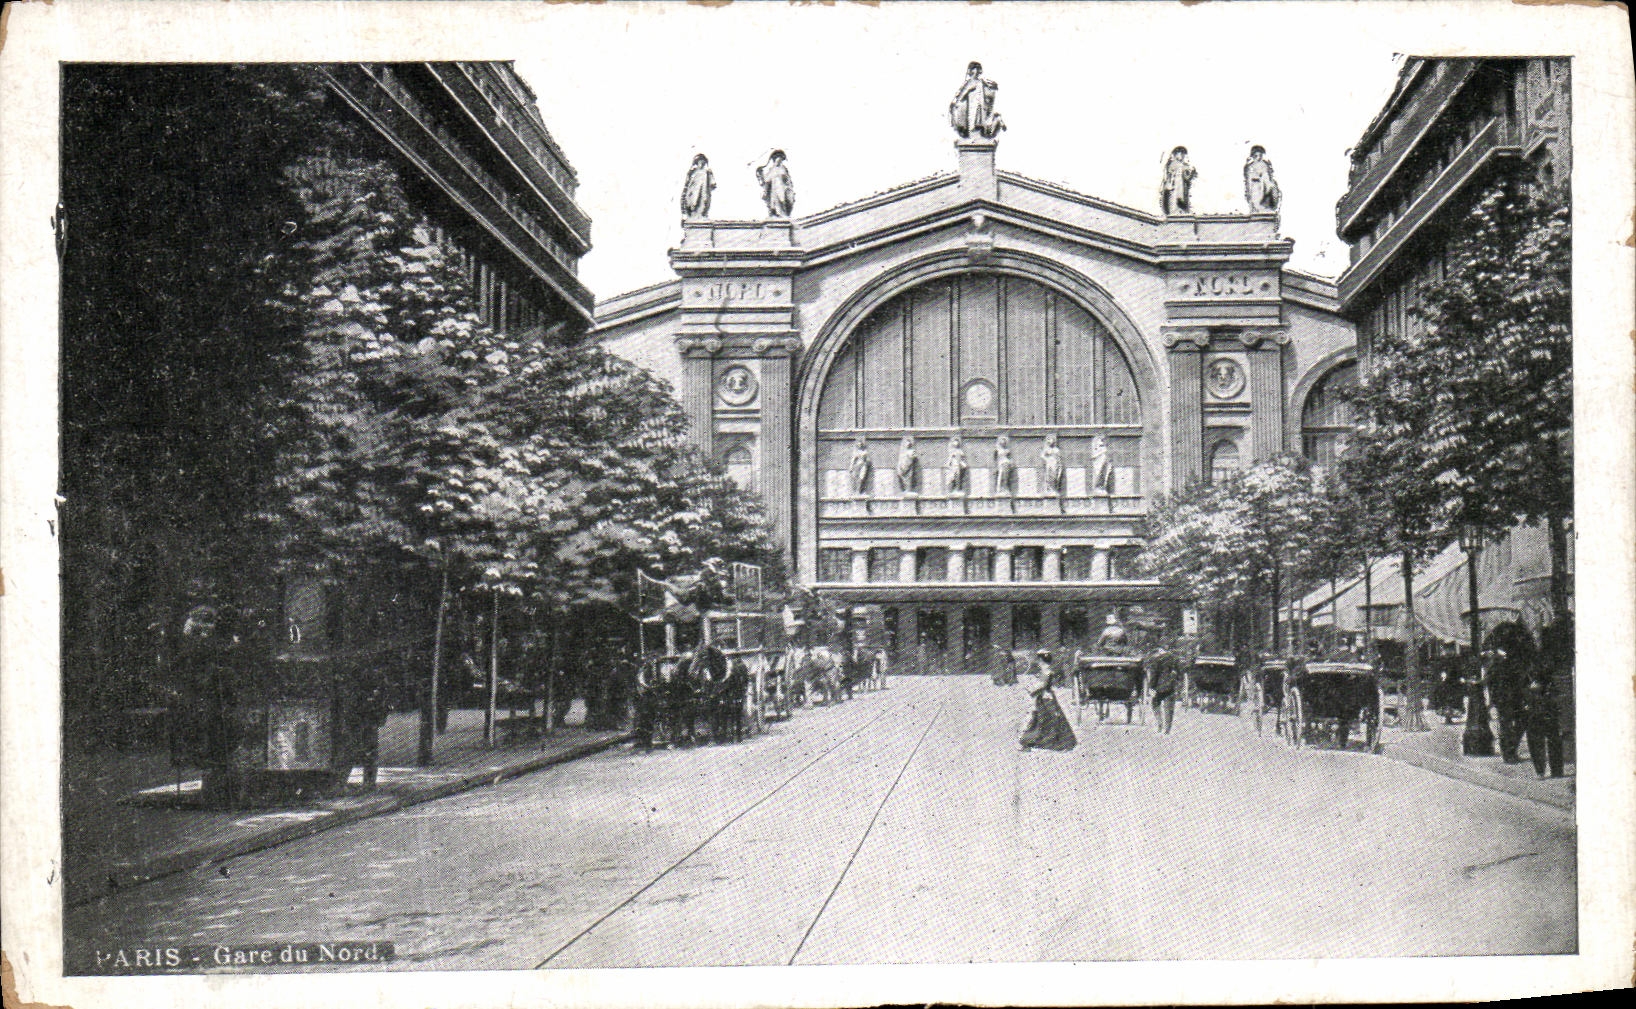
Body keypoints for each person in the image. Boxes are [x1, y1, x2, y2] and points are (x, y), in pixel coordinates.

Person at [1484, 621, 1535, 764]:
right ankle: (1509, 751)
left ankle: (1510, 749)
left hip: (1517, 685)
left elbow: (1531, 656)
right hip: (1505, 688)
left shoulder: (1523, 633)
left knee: (1520, 718)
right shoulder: (1501, 631)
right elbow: (1487, 657)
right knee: (1508, 720)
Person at [1528, 617, 1571, 778]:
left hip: (1542, 698)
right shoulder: (1546, 652)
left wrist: (1535, 682)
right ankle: (1550, 770)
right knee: (1548, 735)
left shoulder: (1541, 654)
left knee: (1542, 735)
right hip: (1542, 698)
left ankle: (1546, 770)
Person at [1019, 651, 1076, 751]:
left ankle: (1033, 741)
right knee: (1046, 719)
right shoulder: (1046, 670)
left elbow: (1042, 686)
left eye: (1038, 659)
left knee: (1043, 718)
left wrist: (1031, 691)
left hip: (1045, 698)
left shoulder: (1046, 671)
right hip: (1046, 697)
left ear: (1041, 660)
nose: (1037, 662)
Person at [949, 61, 1006, 140]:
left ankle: (996, 120)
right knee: (981, 128)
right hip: (977, 110)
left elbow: (961, 96)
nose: (973, 72)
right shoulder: (978, 82)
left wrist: (955, 104)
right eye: (972, 69)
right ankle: (997, 119)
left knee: (976, 128)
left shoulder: (974, 82)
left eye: (974, 69)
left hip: (976, 110)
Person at [1147, 640, 1183, 735]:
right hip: (1171, 686)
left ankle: (1159, 723)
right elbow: (1180, 673)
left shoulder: (1157, 659)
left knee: (1155, 703)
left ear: (1160, 649)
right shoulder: (1174, 658)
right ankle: (1167, 729)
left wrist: (1151, 687)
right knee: (1169, 708)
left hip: (1159, 687)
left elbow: (1154, 674)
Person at [756, 149, 795, 218]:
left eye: (780, 159)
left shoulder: (783, 169)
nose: (778, 161)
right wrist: (760, 174)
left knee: (782, 200)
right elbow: (766, 181)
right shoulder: (772, 170)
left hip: (783, 189)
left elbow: (788, 181)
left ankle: (783, 214)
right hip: (775, 190)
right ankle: (778, 214)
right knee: (776, 203)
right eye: (777, 159)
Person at [1159, 146, 1197, 216]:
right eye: (1181, 153)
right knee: (1173, 201)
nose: (1182, 156)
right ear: (1175, 154)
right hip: (1173, 188)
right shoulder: (1171, 164)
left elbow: (1187, 177)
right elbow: (1168, 177)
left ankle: (1180, 212)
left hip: (1181, 189)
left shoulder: (1184, 166)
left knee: (1180, 202)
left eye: (1183, 154)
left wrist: (1192, 173)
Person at [1243, 145, 1281, 213]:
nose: (1258, 157)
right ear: (1253, 156)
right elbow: (1249, 181)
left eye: (1260, 155)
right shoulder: (1250, 167)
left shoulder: (1264, 165)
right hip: (1255, 188)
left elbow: (1267, 180)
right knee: (1255, 203)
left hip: (1263, 187)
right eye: (1256, 155)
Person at [680, 153, 715, 219]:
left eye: (703, 162)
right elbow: (686, 188)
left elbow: (713, 185)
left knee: (702, 207)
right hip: (692, 198)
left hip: (703, 196)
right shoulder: (692, 173)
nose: (701, 164)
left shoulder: (707, 173)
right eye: (700, 162)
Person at [1039, 432, 1064, 496]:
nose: (1049, 441)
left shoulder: (1056, 450)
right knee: (1048, 477)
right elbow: (1042, 456)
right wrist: (1047, 459)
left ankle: (1054, 490)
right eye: (1048, 439)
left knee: (1054, 477)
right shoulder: (1046, 449)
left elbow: (1059, 460)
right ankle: (1049, 490)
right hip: (1049, 464)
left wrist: (1059, 467)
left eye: (1051, 439)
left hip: (1055, 464)